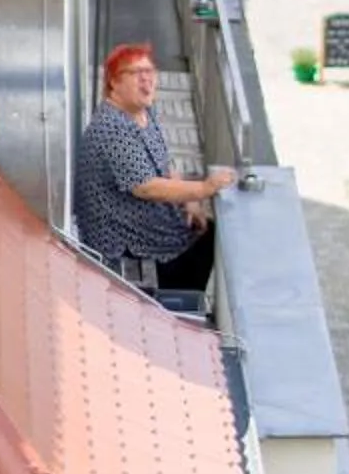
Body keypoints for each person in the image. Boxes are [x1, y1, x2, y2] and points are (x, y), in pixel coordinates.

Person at [75, 45, 236, 293]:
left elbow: (164, 162)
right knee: (205, 242)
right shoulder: (113, 128)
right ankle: (175, 309)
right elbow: (147, 188)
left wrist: (189, 202)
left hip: (153, 224)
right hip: (126, 243)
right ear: (114, 83)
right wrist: (204, 188)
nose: (147, 79)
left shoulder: (144, 111)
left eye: (150, 71)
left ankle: (186, 300)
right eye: (136, 73)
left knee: (206, 230)